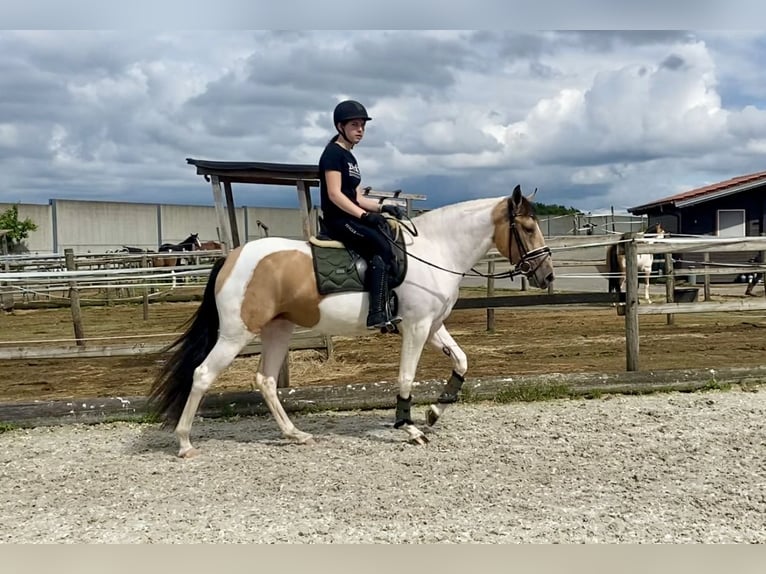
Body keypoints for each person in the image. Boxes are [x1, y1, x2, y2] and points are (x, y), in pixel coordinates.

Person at [318, 100, 405, 330]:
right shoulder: (332, 155)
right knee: (381, 246)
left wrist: (382, 208)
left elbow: (357, 198)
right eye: (355, 125)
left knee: (387, 239)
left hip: (351, 216)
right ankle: (376, 313)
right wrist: (364, 217)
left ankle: (385, 305)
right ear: (340, 127)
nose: (360, 130)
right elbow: (335, 195)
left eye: (363, 126)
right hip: (339, 220)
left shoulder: (351, 159)